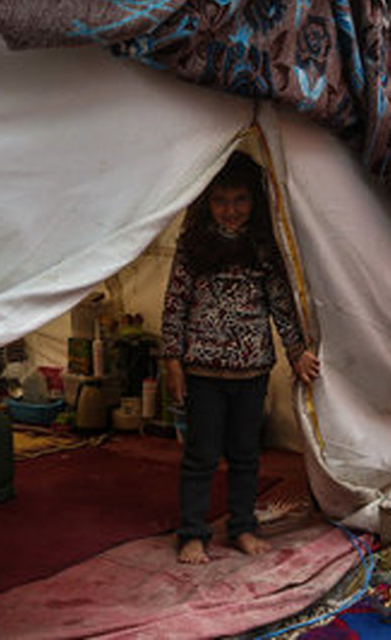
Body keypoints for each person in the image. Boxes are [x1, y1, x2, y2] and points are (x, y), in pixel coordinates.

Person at [160, 151, 321, 565]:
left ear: (255, 201)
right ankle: (192, 533)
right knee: (201, 455)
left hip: (252, 371)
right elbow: (175, 303)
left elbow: (281, 303)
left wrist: (296, 351)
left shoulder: (264, 247)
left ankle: (243, 527)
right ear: (206, 202)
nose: (230, 211)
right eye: (220, 201)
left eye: (240, 200)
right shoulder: (192, 246)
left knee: (246, 454)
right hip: (202, 370)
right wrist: (173, 361)